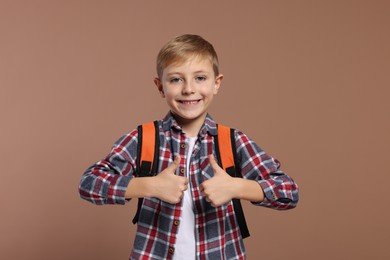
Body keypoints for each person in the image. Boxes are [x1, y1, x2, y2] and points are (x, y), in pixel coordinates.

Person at [79, 34, 299, 260]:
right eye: (176, 79)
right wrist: (149, 186)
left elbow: (288, 192)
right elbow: (89, 184)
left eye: (200, 78)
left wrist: (237, 188)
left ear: (217, 83)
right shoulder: (144, 139)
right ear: (160, 86)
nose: (188, 89)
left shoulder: (232, 141)